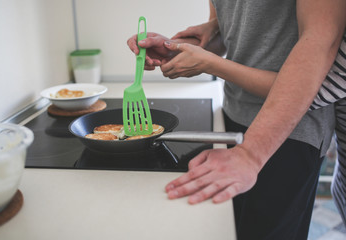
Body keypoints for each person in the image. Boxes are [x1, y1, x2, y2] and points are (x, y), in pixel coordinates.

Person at [127, 0, 346, 239]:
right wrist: (180, 48)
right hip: (232, 113)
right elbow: (232, 31)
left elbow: (320, 43)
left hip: (288, 130)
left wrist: (250, 154)